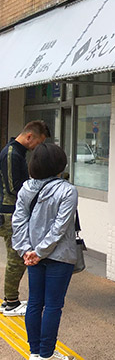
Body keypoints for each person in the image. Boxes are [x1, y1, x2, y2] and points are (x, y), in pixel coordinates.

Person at [11, 143, 78, 360]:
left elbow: (18, 221)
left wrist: (26, 251)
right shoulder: (67, 190)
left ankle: (35, 353)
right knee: (53, 305)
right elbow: (61, 227)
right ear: (60, 164)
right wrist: (39, 252)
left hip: (33, 257)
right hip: (59, 256)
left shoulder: (26, 188)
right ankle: (47, 356)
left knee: (35, 302)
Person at [1, 120, 50, 317]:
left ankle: (10, 299)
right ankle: (10, 302)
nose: (38, 148)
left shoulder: (16, 152)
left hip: (11, 211)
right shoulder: (12, 154)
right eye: (39, 142)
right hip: (9, 212)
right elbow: (15, 188)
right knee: (16, 257)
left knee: (17, 255)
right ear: (29, 137)